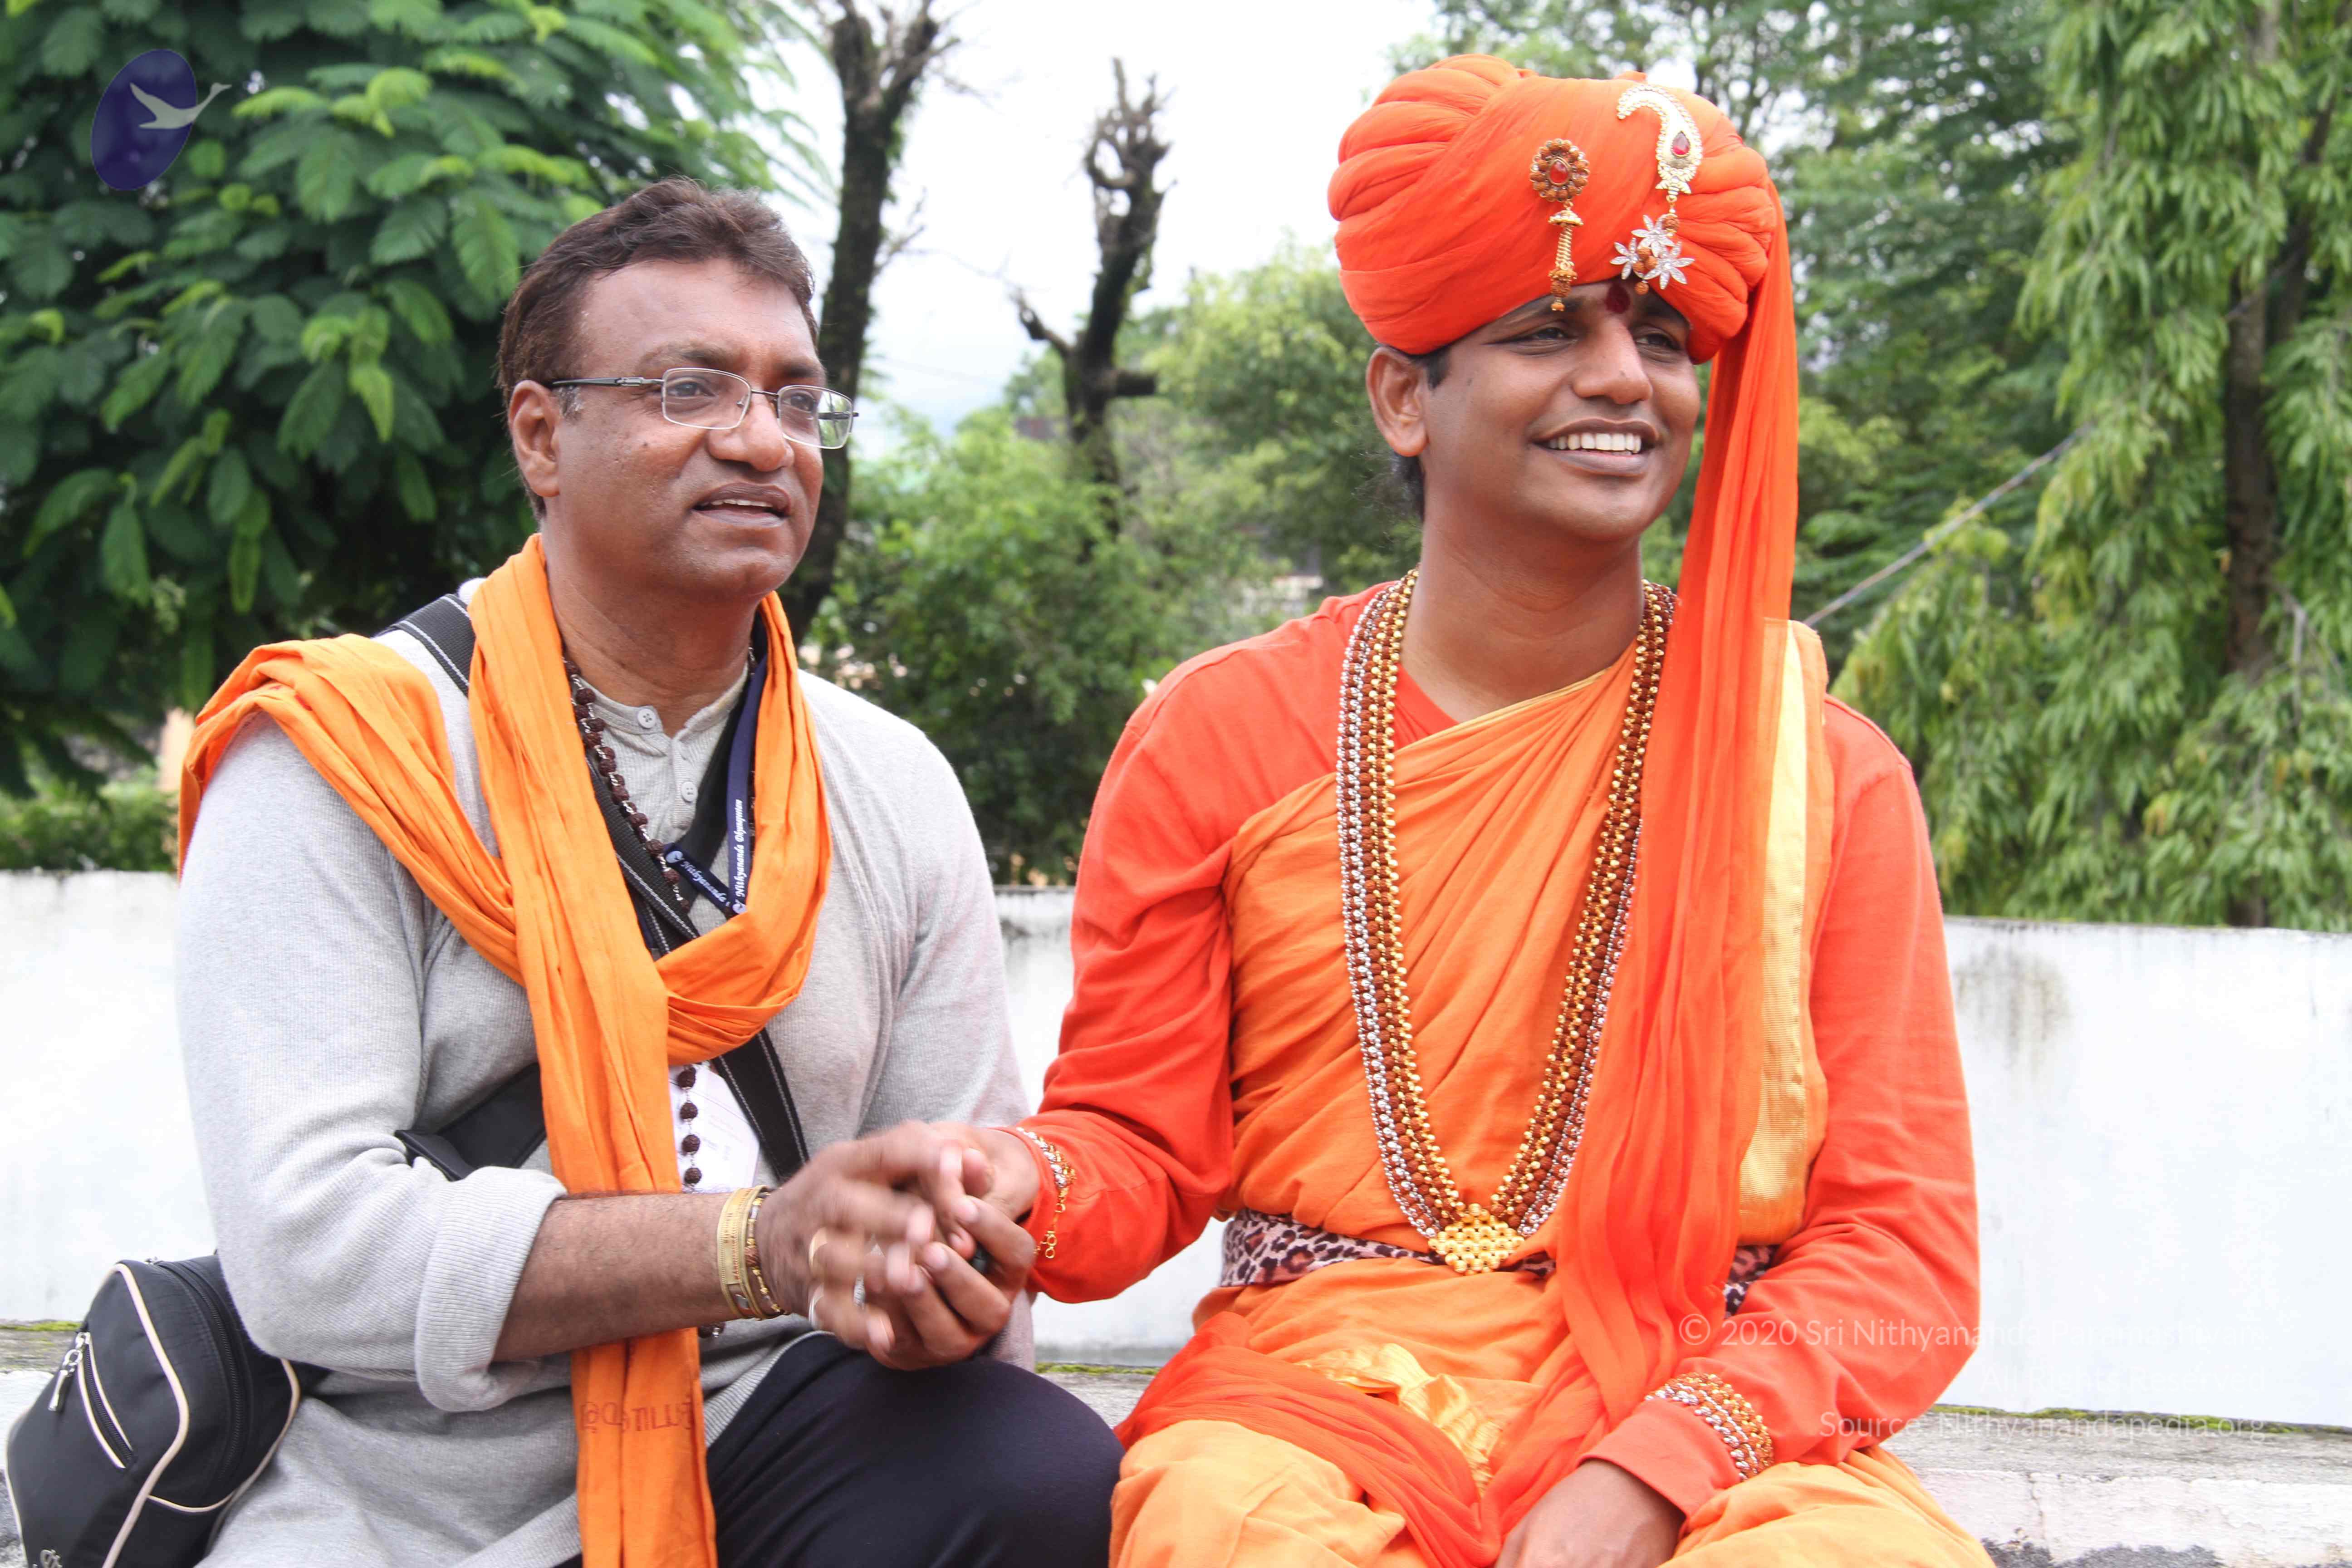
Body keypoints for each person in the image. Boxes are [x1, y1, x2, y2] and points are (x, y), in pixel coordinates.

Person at [863, 56, 1994, 1568]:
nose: (1625, 378)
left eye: (1662, 335)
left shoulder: (1823, 771)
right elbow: (1137, 1146)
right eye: (1550, 328)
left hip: (1709, 1401)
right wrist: (1024, 1183)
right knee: (1222, 1526)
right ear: (1405, 396)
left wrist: (1658, 1468)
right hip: (1315, 1397)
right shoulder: (1221, 733)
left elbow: (1900, 1248)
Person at [173, 178, 1121, 1568]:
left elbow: (955, 1187)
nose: (762, 440)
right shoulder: (341, 753)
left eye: (799, 400)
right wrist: (752, 1246)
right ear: (540, 435)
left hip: (765, 1423)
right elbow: (307, 1253)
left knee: (1035, 1468)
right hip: (410, 1488)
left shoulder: (891, 782)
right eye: (690, 389)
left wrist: (940, 1276)